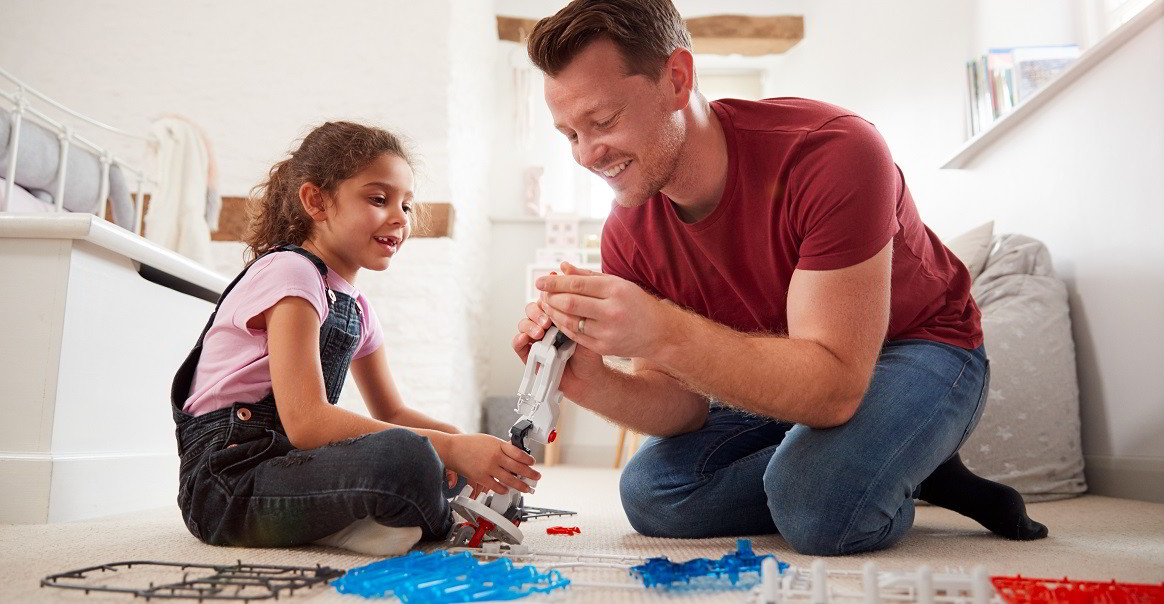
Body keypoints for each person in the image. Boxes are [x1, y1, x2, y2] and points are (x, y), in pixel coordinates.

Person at [512, 0, 1047, 556]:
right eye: (569, 134)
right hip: (788, 371)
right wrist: (592, 381)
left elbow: (835, 389)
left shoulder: (831, 150)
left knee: (815, 506)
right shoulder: (629, 230)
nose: (587, 154)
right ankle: (889, 460)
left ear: (676, 78)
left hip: (919, 347)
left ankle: (871, 464)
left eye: (603, 122)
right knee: (654, 494)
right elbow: (682, 406)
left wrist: (662, 329)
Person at [171, 121, 539, 556]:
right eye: (379, 199)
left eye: (406, 204)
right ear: (316, 201)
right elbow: (307, 422)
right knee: (410, 458)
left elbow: (393, 410)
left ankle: (361, 519)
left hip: (288, 467)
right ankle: (376, 520)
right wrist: (452, 450)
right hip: (227, 484)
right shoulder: (291, 273)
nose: (400, 217)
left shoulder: (359, 308)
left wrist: (464, 444)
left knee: (425, 456)